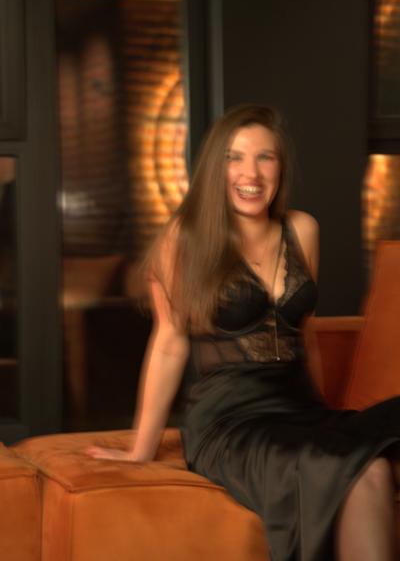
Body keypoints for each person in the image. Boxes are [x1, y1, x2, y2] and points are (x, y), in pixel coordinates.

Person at [87, 104, 400, 561]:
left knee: (376, 448)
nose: (250, 173)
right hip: (230, 423)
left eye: (264, 157)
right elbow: (169, 343)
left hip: (300, 413)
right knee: (366, 469)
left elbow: (305, 336)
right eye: (234, 157)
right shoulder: (185, 237)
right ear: (215, 169)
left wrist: (326, 420)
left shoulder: (303, 229)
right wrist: (141, 448)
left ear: (280, 167)